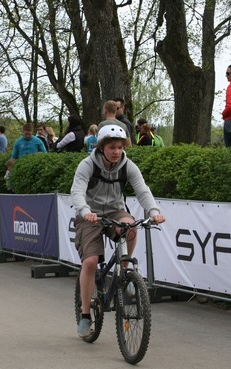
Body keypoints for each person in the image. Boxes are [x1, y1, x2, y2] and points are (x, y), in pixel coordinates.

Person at [70, 124, 165, 338]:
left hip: (115, 211)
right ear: (102, 147)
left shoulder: (127, 165)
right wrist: (85, 211)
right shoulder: (87, 165)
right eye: (112, 147)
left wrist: (154, 211)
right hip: (89, 214)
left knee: (130, 228)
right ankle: (86, 315)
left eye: (120, 147)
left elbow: (142, 190)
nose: (117, 152)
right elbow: (77, 192)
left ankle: (124, 272)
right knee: (90, 262)